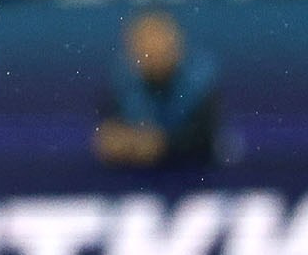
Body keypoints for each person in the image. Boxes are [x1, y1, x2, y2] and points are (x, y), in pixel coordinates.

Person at [94, 10, 221, 169]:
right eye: (144, 41)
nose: (152, 49)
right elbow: (107, 135)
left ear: (177, 43)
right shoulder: (122, 83)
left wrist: (162, 144)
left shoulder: (200, 82)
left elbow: (207, 137)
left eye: (159, 39)